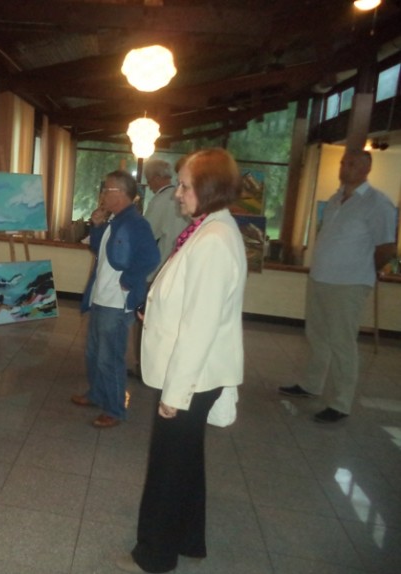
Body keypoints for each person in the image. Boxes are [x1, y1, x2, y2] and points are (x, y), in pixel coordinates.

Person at [117, 148, 247, 573]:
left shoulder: (213, 241)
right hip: (198, 373)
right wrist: (155, 310)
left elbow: (200, 327)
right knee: (186, 461)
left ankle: (155, 556)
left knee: (168, 470)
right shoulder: (211, 228)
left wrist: (174, 394)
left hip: (192, 377)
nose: (177, 194)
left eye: (186, 187)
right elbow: (189, 298)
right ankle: (190, 539)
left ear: (208, 188)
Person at [278, 150, 396, 423]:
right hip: (321, 278)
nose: (345, 167)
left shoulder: (378, 203)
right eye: (343, 163)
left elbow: (387, 248)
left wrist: (364, 269)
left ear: (367, 168)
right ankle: (311, 385)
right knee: (317, 335)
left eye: (352, 164)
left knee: (342, 342)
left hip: (349, 283)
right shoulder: (335, 198)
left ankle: (341, 402)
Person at [72, 170, 159, 429]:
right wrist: (98, 226)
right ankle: (97, 394)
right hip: (101, 297)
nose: (102, 195)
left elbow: (151, 258)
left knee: (109, 357)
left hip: (116, 302)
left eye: (106, 190)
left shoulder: (136, 223)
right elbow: (100, 251)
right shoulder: (115, 220)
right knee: (94, 352)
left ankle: (115, 409)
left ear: (120, 193)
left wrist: (128, 280)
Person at [129, 158, 191, 379]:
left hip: (158, 269)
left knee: (146, 318)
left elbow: (147, 234)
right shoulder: (185, 199)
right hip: (182, 270)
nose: (149, 185)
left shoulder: (161, 200)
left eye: (149, 180)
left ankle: (142, 366)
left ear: (156, 178)